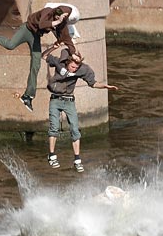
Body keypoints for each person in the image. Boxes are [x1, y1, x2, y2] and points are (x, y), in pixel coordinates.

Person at [0, 5, 78, 113]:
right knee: (10, 45)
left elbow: (67, 39)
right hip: (26, 29)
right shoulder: (47, 12)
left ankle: (28, 96)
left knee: (36, 64)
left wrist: (73, 53)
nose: (58, 17)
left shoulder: (62, 24)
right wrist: (56, 22)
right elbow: (42, 24)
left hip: (36, 36)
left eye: (62, 16)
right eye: (58, 15)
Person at [45, 44, 117, 172]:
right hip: (55, 100)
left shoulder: (82, 70)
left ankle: (77, 159)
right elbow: (44, 56)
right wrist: (53, 46)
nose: (74, 69)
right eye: (72, 67)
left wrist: (105, 87)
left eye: (76, 67)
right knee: (54, 128)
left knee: (75, 129)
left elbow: (92, 83)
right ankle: (51, 155)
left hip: (69, 101)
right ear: (67, 63)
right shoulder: (58, 63)